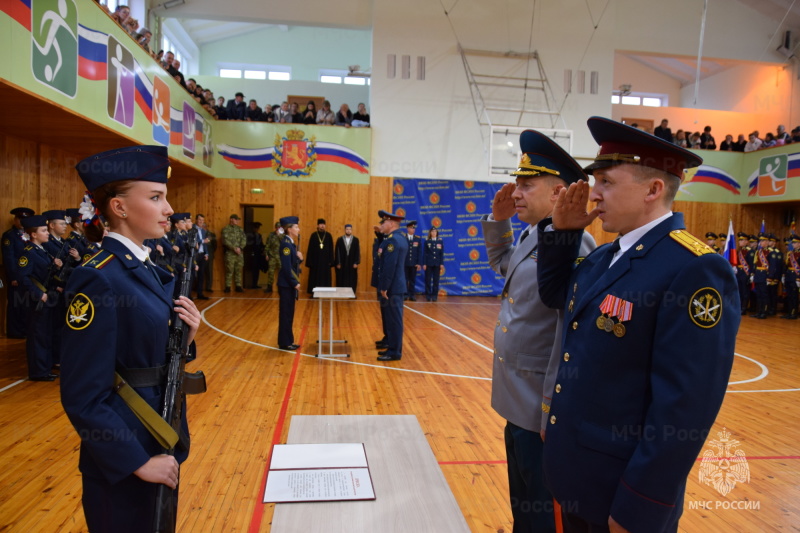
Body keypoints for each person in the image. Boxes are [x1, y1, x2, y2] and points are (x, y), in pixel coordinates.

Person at [536, 116, 739, 533]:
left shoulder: (693, 269)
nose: (594, 194)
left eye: (607, 182)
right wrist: (562, 233)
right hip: (578, 476)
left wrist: (641, 507)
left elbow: (684, 409)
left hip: (623, 496)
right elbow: (556, 295)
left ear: (653, 189)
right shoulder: (603, 257)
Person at [60, 145, 202, 532]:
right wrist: (136, 461)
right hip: (125, 458)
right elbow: (83, 393)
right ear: (120, 208)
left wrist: (185, 337)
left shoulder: (144, 267)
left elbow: (147, 355)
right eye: (156, 197)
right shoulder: (99, 277)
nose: (168, 209)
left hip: (158, 436)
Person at [481, 130, 596, 533]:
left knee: (543, 510)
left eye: (527, 185)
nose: (516, 193)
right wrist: (499, 222)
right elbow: (502, 264)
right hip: (515, 399)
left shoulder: (574, 244)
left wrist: (552, 407)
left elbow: (571, 329)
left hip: (539, 405)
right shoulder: (532, 234)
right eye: (518, 184)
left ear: (559, 193)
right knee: (523, 501)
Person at [18, 215, 62, 381]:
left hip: (48, 298)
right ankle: (38, 372)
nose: (47, 233)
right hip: (37, 301)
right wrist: (39, 295)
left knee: (46, 335)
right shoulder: (28, 253)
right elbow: (23, 278)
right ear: (33, 235)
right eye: (43, 231)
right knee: (38, 336)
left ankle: (45, 367)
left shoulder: (42, 251)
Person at [376, 210, 407, 361]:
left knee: (394, 320)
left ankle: (394, 352)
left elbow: (389, 266)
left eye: (385, 222)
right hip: (395, 286)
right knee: (392, 319)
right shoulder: (399, 238)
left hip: (392, 287)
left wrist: (384, 287)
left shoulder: (393, 241)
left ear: (392, 223)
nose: (382, 224)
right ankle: (391, 347)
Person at [2, 206, 35, 338]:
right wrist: (13, 276)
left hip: (29, 276)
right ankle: (15, 331)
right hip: (16, 276)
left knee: (26, 303)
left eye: (24, 219)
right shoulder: (10, 236)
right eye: (19, 218)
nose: (21, 222)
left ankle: (25, 329)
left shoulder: (30, 234)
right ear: (15, 220)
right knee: (16, 303)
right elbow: (9, 258)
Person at [277, 216, 302, 350]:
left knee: (289, 314)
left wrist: (300, 259)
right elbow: (287, 268)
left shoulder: (291, 243)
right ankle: (285, 342)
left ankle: (288, 340)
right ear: (289, 229)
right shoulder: (286, 244)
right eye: (296, 227)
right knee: (286, 314)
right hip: (286, 285)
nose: (298, 229)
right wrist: (294, 282)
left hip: (288, 284)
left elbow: (293, 264)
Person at [305, 218, 334, 293]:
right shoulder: (314, 235)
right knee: (315, 277)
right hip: (315, 262)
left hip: (326, 262)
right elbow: (310, 249)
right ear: (318, 225)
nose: (322, 226)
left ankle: (326, 292)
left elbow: (331, 249)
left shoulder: (328, 235)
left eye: (323, 224)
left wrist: (331, 261)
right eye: (321, 224)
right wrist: (310, 262)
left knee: (325, 277)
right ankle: (314, 292)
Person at [221, 214, 246, 292]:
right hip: (230, 253)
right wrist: (234, 248)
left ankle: (238, 286)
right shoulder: (226, 229)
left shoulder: (240, 229)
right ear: (231, 219)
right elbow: (225, 240)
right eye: (236, 219)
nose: (237, 221)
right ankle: (228, 286)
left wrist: (240, 248)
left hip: (239, 253)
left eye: (238, 219)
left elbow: (244, 239)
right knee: (229, 270)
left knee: (238, 270)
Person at [334, 224, 360, 294]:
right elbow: (337, 252)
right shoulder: (340, 240)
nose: (348, 231)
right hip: (342, 262)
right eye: (347, 229)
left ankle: (351, 293)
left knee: (352, 277)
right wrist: (338, 262)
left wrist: (356, 262)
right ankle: (341, 292)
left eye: (350, 229)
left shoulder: (355, 240)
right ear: (345, 230)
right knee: (341, 277)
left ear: (351, 230)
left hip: (352, 263)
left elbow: (357, 251)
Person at [422, 227, 445, 301]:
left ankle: (434, 295)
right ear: (430, 233)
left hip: (437, 264)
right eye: (432, 231)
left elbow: (441, 254)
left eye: (435, 231)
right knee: (428, 280)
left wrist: (441, 263)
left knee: (436, 280)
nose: (434, 233)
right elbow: (425, 254)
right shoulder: (427, 241)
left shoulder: (440, 241)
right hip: (429, 263)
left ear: (437, 233)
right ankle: (428, 295)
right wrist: (424, 264)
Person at [403, 220, 422, 300]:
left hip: (413, 263)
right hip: (405, 263)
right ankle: (405, 294)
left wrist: (418, 263)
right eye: (411, 228)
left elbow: (419, 252)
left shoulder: (417, 239)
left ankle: (412, 295)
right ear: (407, 228)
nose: (413, 229)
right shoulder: (403, 238)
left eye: (414, 228)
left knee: (412, 280)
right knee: (405, 279)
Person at [783, 234, 800, 319]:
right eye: (792, 243)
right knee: (789, 295)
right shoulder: (790, 253)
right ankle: (789, 312)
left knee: (794, 296)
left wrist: (798, 278)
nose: (792, 244)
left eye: (794, 243)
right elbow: (786, 265)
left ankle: (794, 313)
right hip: (789, 276)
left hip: (795, 276)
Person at [194, 214, 210, 300]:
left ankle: (200, 293)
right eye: (199, 220)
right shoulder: (192, 229)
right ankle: (188, 295)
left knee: (201, 275)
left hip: (202, 254)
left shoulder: (203, 231)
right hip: (195, 255)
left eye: (202, 220)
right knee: (193, 275)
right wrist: (202, 241)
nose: (201, 222)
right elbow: (194, 241)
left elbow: (205, 244)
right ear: (196, 220)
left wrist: (206, 253)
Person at [264, 222, 283, 293]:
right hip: (272, 256)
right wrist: (266, 254)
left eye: (279, 228)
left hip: (280, 257)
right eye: (277, 228)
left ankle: (281, 287)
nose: (278, 229)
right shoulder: (271, 235)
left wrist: (279, 235)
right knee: (270, 272)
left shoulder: (284, 236)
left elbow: (284, 243)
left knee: (282, 272)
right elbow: (267, 245)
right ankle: (269, 287)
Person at [247, 222, 264, 288]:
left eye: (258, 228)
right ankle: (252, 284)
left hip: (258, 255)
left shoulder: (259, 235)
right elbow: (249, 245)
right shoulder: (249, 235)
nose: (257, 229)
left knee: (257, 269)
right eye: (256, 228)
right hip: (251, 254)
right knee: (251, 270)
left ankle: (255, 284)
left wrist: (263, 250)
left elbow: (261, 244)